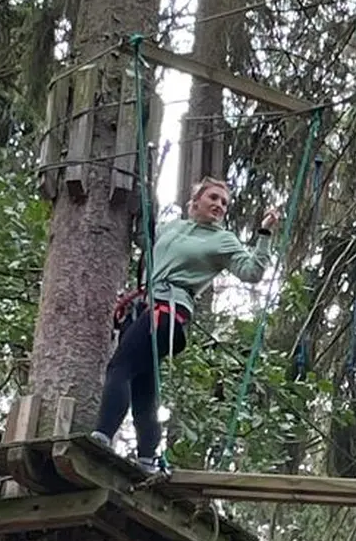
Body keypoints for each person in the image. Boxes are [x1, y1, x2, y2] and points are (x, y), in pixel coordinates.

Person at [91, 177, 276, 472]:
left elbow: (251, 272)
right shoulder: (173, 228)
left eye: (224, 202)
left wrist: (264, 232)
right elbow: (146, 241)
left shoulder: (222, 239)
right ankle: (147, 458)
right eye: (213, 198)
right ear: (196, 201)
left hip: (169, 312)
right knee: (143, 386)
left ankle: (101, 436)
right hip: (144, 308)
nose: (219, 205)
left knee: (119, 368)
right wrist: (142, 206)